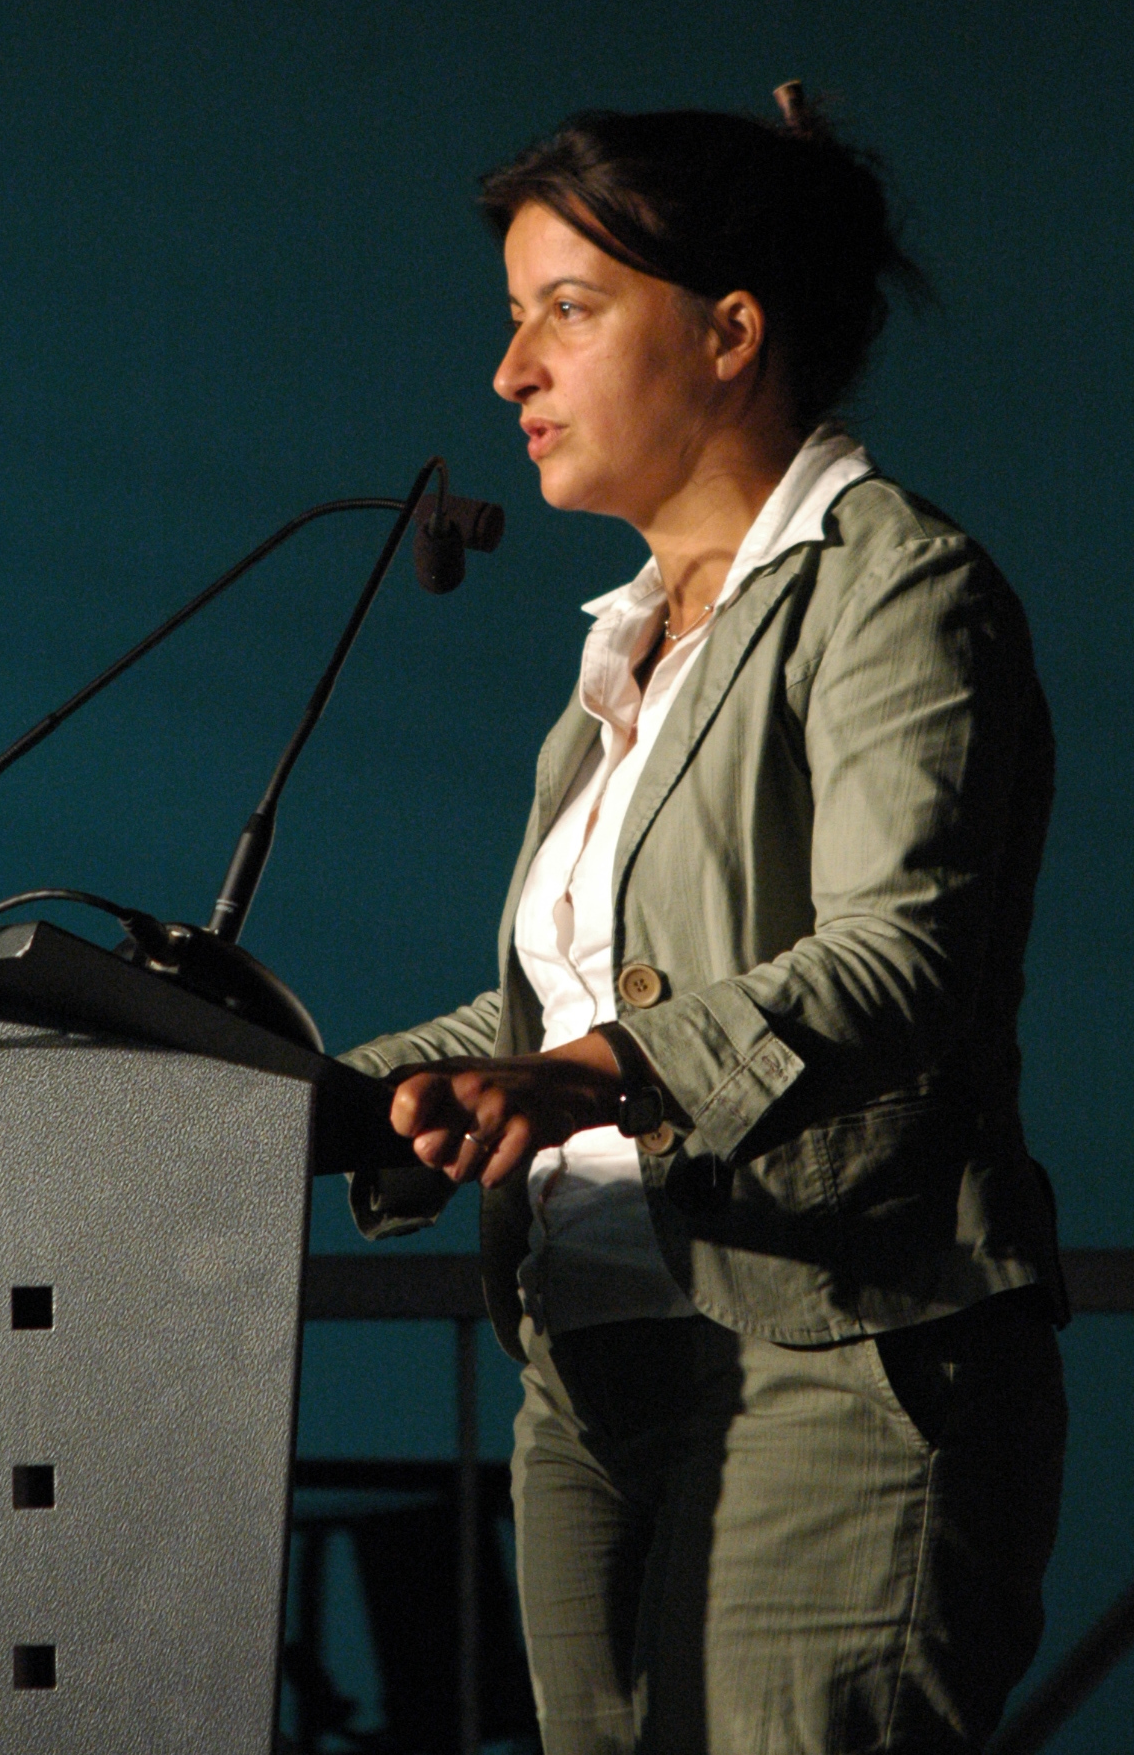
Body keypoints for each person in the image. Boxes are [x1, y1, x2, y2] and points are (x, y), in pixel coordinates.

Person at [340, 89, 1067, 1755]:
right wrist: (279, 1093)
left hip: (832, 1355)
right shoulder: (630, 643)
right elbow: (552, 1011)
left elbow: (899, 962)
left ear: (731, 334)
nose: (510, 373)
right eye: (513, 318)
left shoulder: (893, 586)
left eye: (565, 312)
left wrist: (581, 1077)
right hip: (591, 1365)